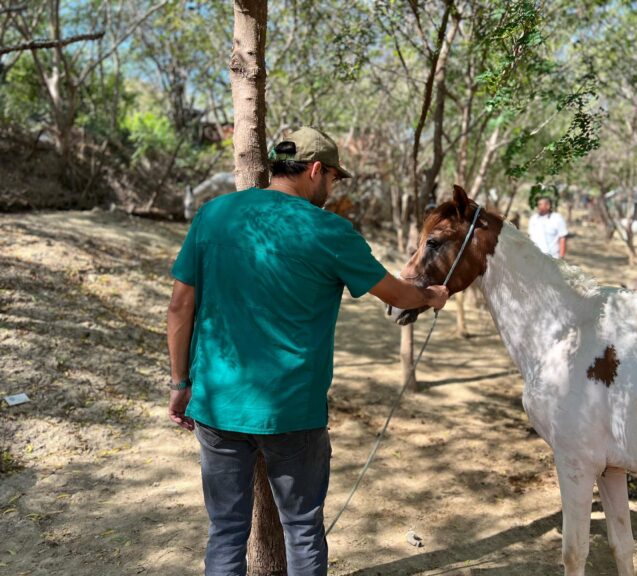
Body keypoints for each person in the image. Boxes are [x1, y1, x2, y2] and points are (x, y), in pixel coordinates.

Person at [165, 126, 449, 576]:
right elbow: (395, 294)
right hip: (293, 412)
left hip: (216, 404)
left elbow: (180, 306)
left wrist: (181, 384)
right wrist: (430, 297)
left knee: (224, 532)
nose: (333, 189)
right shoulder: (330, 231)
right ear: (315, 170)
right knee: (301, 530)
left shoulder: (213, 215)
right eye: (334, 179)